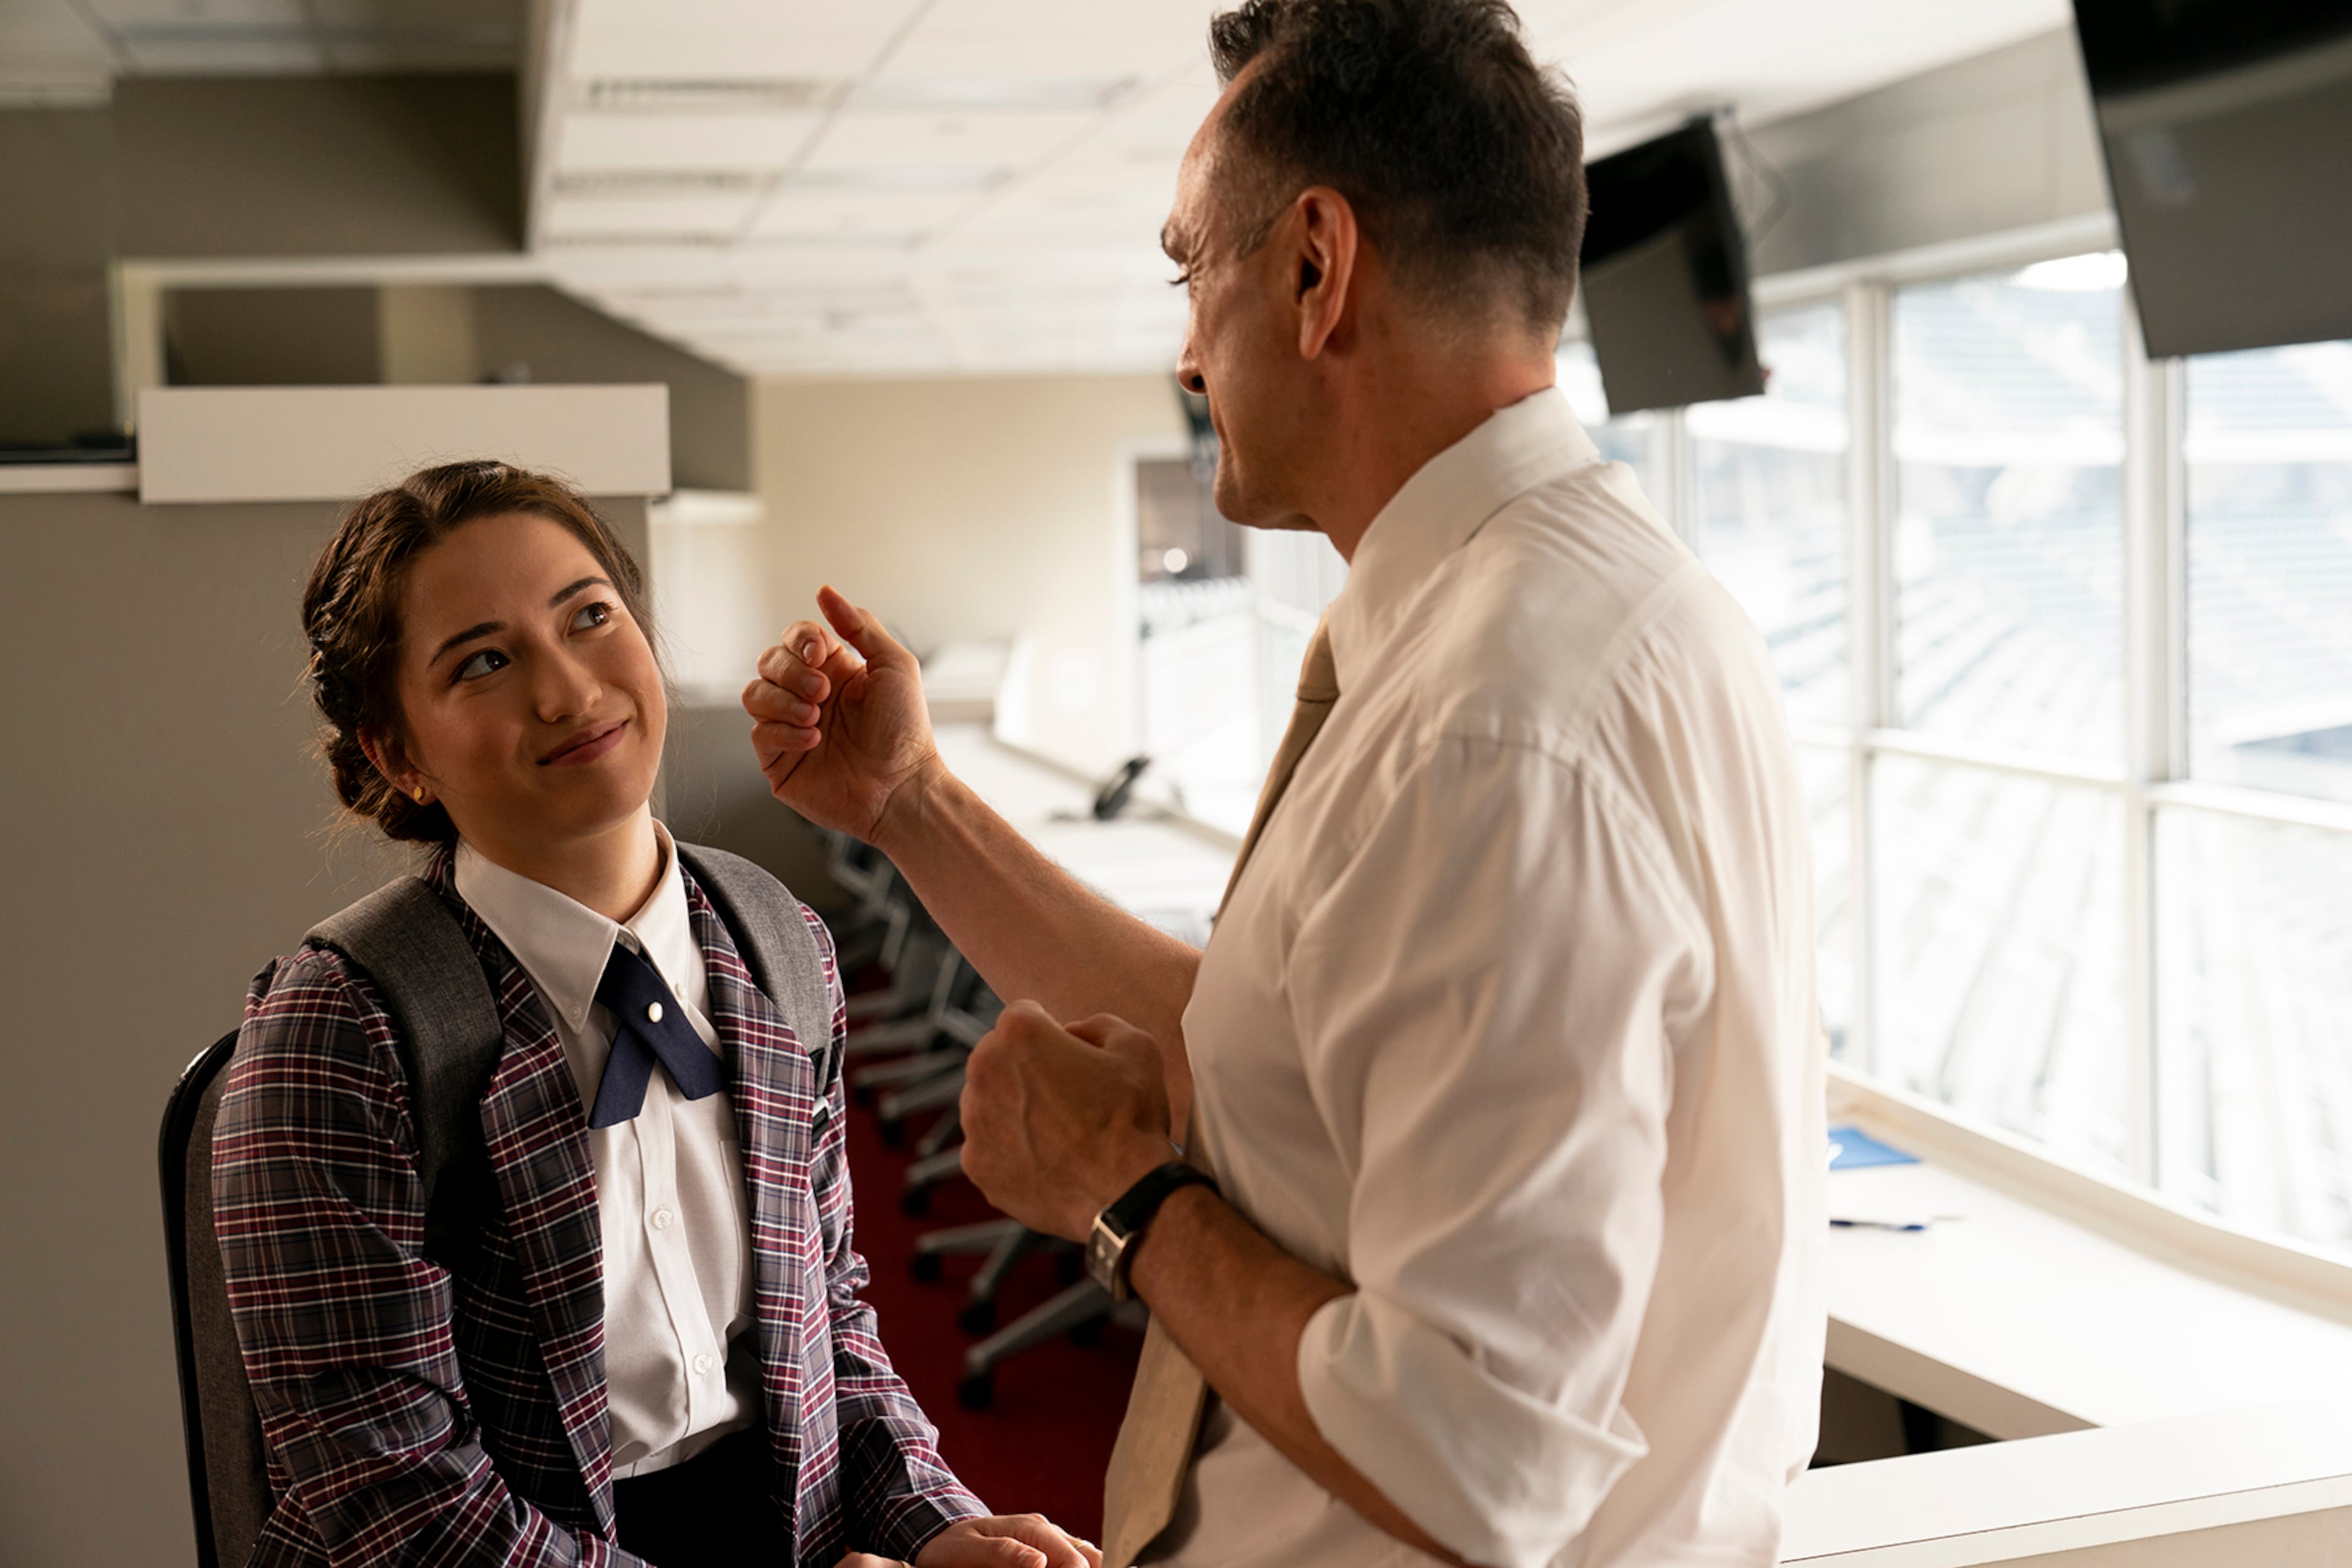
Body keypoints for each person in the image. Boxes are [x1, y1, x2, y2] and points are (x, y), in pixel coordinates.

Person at [747, 1, 1827, 1565]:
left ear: (1316, 269)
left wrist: (1125, 1199)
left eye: (1195, 271)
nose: (1186, 350)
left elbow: (1477, 1458)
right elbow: (1265, 1048)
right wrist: (910, 799)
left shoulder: (1496, 724)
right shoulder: (1577, 612)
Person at [215, 461, 1098, 1568]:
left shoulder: (776, 942)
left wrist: (933, 1525)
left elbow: (830, 1321)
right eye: (483, 662)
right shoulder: (341, 1032)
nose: (568, 691)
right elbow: (394, 1501)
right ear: (401, 755)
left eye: (590, 617)